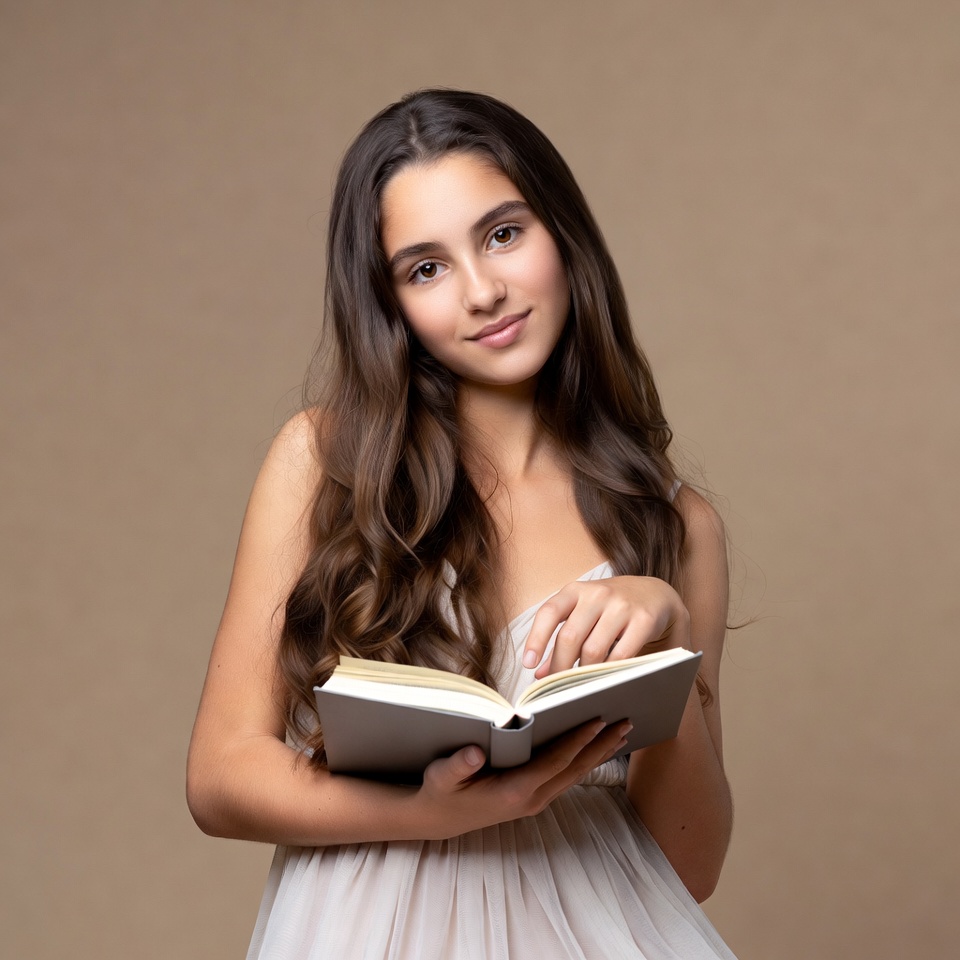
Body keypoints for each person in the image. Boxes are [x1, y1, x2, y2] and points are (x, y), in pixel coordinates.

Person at [187, 88, 736, 959]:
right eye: (426, 269)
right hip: (368, 932)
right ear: (389, 302)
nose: (483, 292)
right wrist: (425, 812)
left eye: (503, 234)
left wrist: (672, 648)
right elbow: (219, 777)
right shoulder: (325, 464)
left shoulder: (674, 526)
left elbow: (689, 867)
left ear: (564, 232)